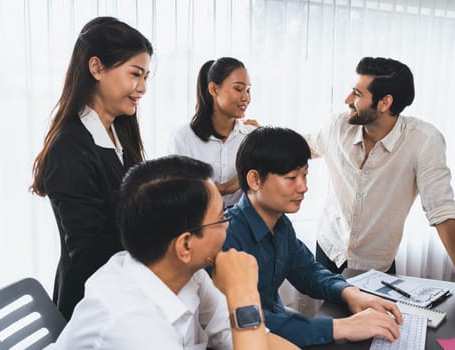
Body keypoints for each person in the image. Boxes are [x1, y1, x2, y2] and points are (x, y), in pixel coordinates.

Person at [52, 155, 298, 350]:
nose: (227, 225)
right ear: (185, 245)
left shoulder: (184, 270)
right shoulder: (132, 327)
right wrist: (243, 293)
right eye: (221, 218)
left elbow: (235, 334)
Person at [221, 126, 402, 348]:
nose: (303, 187)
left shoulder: (280, 224)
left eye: (305, 175)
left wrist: (350, 293)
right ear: (255, 180)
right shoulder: (226, 239)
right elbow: (244, 323)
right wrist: (343, 327)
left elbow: (308, 271)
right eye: (291, 178)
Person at [30, 16, 151, 320]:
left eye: (146, 76)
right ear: (96, 68)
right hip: (91, 305)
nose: (143, 87)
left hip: (123, 292)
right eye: (135, 74)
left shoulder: (120, 134)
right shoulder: (70, 148)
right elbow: (89, 253)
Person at [306, 57, 455, 274]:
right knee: (328, 310)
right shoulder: (338, 126)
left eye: (357, 94)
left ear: (385, 103)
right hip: (330, 250)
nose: (347, 99)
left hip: (375, 266)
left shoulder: (423, 141)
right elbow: (304, 145)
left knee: (376, 309)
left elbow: (442, 211)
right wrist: (260, 134)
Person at [169, 57, 257, 208]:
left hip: (241, 225)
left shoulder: (251, 136)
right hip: (195, 223)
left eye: (248, 90)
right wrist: (227, 187)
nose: (246, 98)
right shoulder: (183, 136)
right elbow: (178, 194)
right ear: (214, 89)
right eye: (238, 89)